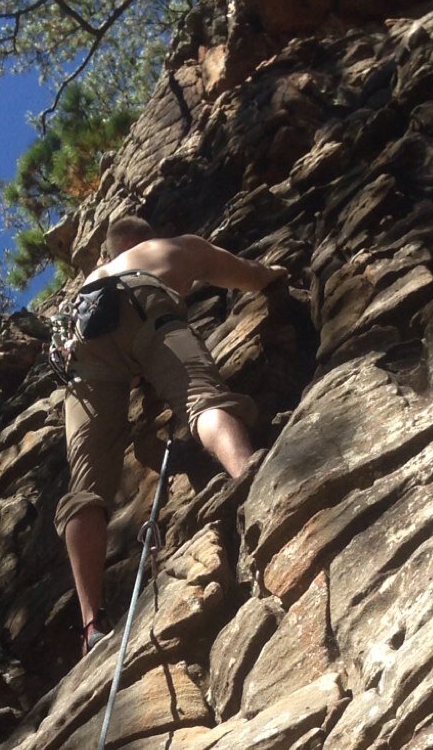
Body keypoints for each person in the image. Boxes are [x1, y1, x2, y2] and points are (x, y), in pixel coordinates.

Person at [54, 215, 285, 655]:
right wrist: (272, 275)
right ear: (149, 238)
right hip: (145, 305)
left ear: (107, 252)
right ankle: (251, 479)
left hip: (82, 341)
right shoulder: (174, 246)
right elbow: (250, 276)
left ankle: (91, 625)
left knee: (85, 486)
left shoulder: (93, 278)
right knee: (203, 401)